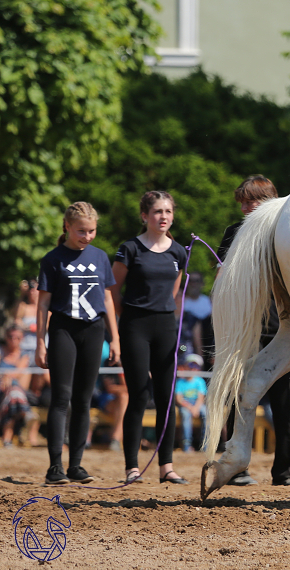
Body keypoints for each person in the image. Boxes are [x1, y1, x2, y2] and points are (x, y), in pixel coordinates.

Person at [217, 174, 290, 488]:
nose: (246, 207)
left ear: (271, 199)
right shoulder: (233, 234)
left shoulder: (288, 234)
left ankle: (286, 471)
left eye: (253, 199)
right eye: (243, 201)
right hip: (246, 328)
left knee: (286, 401)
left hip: (285, 325)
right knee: (239, 396)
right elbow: (223, 279)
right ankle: (237, 467)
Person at [36, 202, 120, 484]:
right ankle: (55, 467)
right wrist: (39, 342)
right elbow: (43, 303)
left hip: (93, 329)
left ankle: (76, 465)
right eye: (81, 231)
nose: (87, 236)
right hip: (63, 328)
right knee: (62, 397)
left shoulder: (100, 257)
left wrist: (115, 338)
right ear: (67, 227)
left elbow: (107, 297)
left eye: (92, 231)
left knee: (84, 399)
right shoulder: (52, 258)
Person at [112, 191, 188, 485]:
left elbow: (174, 291)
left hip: (165, 328)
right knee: (139, 395)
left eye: (168, 211)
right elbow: (113, 289)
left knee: (167, 398)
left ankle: (166, 466)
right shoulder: (130, 248)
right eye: (157, 211)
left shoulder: (179, 252)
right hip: (135, 326)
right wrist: (123, 323)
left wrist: (165, 315)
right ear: (145, 216)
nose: (164, 217)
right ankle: (132, 466)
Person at [175, 353, 207, 452]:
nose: (193, 369)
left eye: (196, 366)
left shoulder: (200, 381)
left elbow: (201, 398)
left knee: (207, 414)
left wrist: (196, 408)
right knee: (185, 415)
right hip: (186, 405)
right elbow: (179, 399)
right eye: (191, 365)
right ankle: (186, 445)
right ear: (185, 366)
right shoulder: (180, 382)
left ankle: (205, 445)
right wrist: (191, 408)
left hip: (197, 404)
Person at [13, 279, 39, 365]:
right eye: (30, 290)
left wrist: (29, 327)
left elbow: (47, 325)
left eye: (34, 289)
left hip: (40, 348)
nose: (32, 292)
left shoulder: (44, 307)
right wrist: (21, 294)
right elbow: (16, 320)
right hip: (25, 348)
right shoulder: (23, 306)